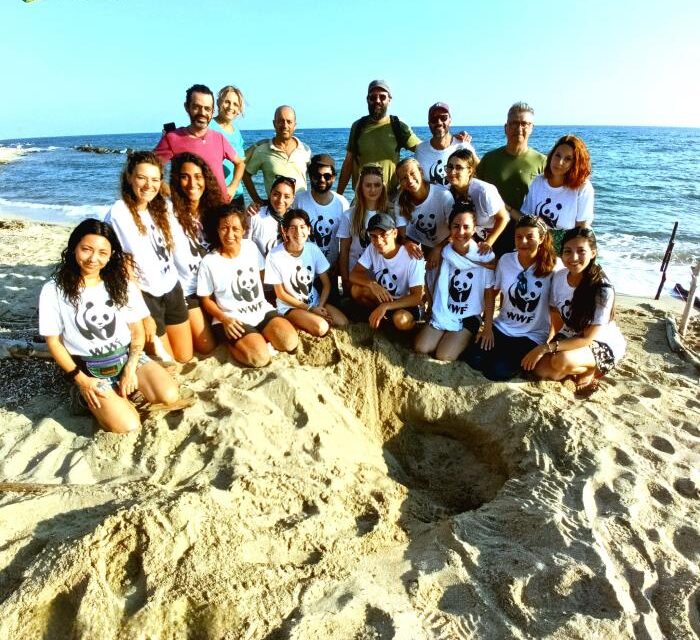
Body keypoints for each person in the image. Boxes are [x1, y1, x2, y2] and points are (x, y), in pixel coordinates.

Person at [39, 219, 185, 434]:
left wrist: (131, 368)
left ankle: (123, 389)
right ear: (73, 248)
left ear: (111, 255)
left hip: (126, 357)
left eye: (102, 252)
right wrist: (82, 381)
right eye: (86, 249)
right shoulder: (54, 290)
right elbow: (53, 342)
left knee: (169, 395)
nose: (93, 259)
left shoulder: (120, 283)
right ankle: (82, 397)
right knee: (129, 425)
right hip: (89, 369)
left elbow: (136, 331)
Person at [106, 151, 193, 363]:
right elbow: (126, 267)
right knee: (168, 363)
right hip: (146, 295)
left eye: (155, 179)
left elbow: (178, 253)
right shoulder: (120, 213)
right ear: (129, 177)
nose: (148, 185)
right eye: (142, 178)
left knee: (185, 356)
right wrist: (143, 314)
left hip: (171, 287)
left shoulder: (163, 208)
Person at [522, 227, 624, 396]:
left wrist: (546, 348)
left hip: (600, 341)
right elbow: (555, 314)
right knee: (539, 370)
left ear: (593, 253)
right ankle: (573, 369)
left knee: (561, 361)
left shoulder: (602, 289)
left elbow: (587, 337)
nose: (574, 257)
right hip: (571, 336)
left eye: (581, 251)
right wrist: (551, 340)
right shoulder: (559, 277)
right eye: (568, 251)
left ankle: (589, 369)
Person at [197, 203, 298, 367]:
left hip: (260, 309)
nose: (230, 234)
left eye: (235, 229)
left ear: (243, 230)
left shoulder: (250, 247)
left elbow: (264, 274)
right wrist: (224, 319)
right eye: (224, 228)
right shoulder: (209, 262)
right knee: (259, 358)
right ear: (217, 230)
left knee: (290, 342)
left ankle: (258, 336)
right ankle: (233, 343)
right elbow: (206, 300)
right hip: (232, 318)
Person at [465, 215, 558, 381]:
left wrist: (548, 342)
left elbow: (557, 309)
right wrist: (487, 327)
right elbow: (491, 294)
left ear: (542, 238)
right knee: (473, 359)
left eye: (530, 237)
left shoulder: (554, 267)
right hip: (503, 326)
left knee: (497, 371)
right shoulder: (506, 260)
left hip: (532, 334)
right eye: (519, 237)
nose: (523, 242)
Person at [415, 203, 495, 361]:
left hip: (468, 316)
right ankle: (448, 334)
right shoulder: (445, 252)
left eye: (466, 227)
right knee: (421, 348)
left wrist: (488, 327)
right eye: (456, 226)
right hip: (445, 310)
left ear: (474, 229)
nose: (461, 232)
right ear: (450, 228)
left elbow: (489, 295)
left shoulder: (484, 257)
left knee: (444, 355)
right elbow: (431, 279)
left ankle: (462, 338)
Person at [169, 152, 224, 354]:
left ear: (206, 179)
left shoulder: (215, 211)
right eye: (185, 176)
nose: (192, 183)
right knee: (205, 346)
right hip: (188, 291)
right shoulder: (168, 214)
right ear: (176, 180)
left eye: (198, 176)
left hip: (215, 287)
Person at [475, 102, 546, 256]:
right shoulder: (490, 159)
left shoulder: (542, 162)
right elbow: (474, 189)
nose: (519, 128)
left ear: (532, 128)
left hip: (526, 234)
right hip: (493, 231)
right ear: (505, 127)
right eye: (514, 123)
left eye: (525, 124)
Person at [265, 209, 348, 337]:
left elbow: (326, 284)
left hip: (315, 302)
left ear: (309, 229)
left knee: (343, 323)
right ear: (285, 231)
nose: (298, 232)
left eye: (302, 227)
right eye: (292, 228)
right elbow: (281, 294)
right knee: (321, 327)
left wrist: (319, 306)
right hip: (290, 307)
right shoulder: (275, 255)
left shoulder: (312, 249)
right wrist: (310, 310)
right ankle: (292, 322)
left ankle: (308, 321)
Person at [154, 84, 245, 201]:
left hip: (220, 210)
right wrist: (169, 193)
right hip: (188, 214)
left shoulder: (219, 138)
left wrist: (232, 187)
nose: (202, 112)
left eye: (207, 109)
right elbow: (150, 168)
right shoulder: (172, 138)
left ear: (212, 111)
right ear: (187, 107)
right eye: (197, 107)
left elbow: (240, 164)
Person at [337, 80, 420, 197]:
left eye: (382, 97)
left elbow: (424, 150)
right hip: (362, 198)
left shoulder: (398, 125)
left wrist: (453, 141)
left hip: (390, 198)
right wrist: (338, 197)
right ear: (367, 99)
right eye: (373, 97)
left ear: (389, 100)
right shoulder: (358, 126)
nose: (377, 101)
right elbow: (348, 163)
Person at [516, 135, 594, 252]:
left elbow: (582, 227)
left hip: (566, 248)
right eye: (557, 155)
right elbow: (527, 219)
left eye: (568, 159)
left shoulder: (582, 188)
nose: (560, 162)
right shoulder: (539, 181)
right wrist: (508, 209)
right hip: (536, 245)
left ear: (575, 163)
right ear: (551, 155)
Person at [337, 163, 407, 296]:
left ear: (383, 186)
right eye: (368, 185)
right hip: (358, 276)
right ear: (360, 187)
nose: (373, 190)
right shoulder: (349, 215)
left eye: (377, 185)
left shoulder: (392, 212)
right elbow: (344, 250)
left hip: (386, 275)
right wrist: (345, 280)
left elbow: (400, 243)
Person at [349, 213, 425, 331]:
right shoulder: (372, 248)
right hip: (385, 298)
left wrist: (387, 306)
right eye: (373, 236)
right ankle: (381, 319)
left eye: (384, 234)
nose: (378, 241)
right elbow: (353, 274)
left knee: (401, 320)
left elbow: (417, 297)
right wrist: (372, 284)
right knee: (356, 290)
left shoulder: (411, 256)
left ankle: (415, 327)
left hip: (404, 303)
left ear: (394, 233)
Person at [445, 149, 509, 256]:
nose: (452, 172)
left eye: (459, 167)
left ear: (469, 170)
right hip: (474, 237)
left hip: (499, 235)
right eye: (450, 167)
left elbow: (504, 218)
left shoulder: (484, 191)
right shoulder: (448, 192)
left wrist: (488, 243)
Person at [395, 157, 455, 270]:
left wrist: (438, 248)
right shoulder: (400, 201)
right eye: (403, 178)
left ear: (421, 172)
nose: (409, 180)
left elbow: (456, 230)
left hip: (447, 243)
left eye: (412, 173)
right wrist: (407, 243)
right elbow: (401, 235)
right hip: (422, 244)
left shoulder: (443, 195)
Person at [243, 105, 311, 204]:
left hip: (301, 212)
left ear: (295, 125)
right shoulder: (262, 150)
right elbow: (245, 174)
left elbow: (315, 177)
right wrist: (257, 200)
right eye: (281, 121)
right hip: (275, 210)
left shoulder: (305, 150)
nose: (285, 125)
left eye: (289, 121)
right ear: (274, 123)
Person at [293, 154, 350, 271]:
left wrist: (339, 261)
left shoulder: (342, 203)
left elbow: (346, 240)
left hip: (332, 267)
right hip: (303, 266)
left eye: (327, 176)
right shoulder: (298, 201)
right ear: (310, 176)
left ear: (334, 177)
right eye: (317, 176)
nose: (322, 180)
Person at [414, 102, 477, 186]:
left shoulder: (463, 146)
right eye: (434, 119)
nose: (439, 122)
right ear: (429, 123)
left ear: (450, 120)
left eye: (444, 118)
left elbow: (481, 171)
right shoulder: (420, 149)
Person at [208, 85, 247, 209]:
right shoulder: (208, 126)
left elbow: (240, 162)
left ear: (240, 108)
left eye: (235, 104)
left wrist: (233, 187)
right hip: (214, 197)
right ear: (219, 102)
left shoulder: (237, 133)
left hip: (236, 195)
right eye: (227, 102)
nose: (231, 107)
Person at [247, 174, 296, 257]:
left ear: (293, 199)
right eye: (276, 194)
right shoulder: (255, 216)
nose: (280, 200)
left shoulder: (296, 220)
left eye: (286, 196)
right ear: (270, 194)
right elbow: (245, 247)